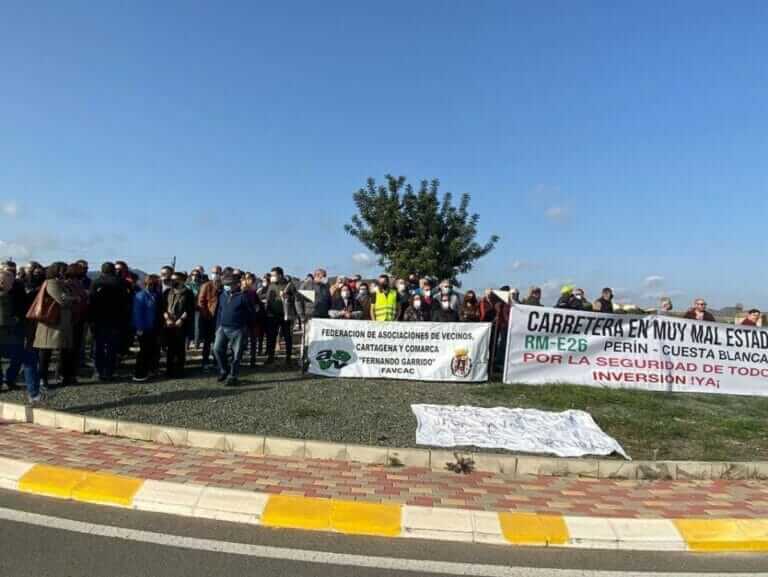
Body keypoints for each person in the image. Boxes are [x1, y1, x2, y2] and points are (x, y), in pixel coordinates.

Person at [34, 262, 77, 388]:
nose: (65, 272)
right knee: (46, 352)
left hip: (61, 322)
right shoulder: (52, 283)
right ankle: (42, 378)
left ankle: (63, 376)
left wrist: (71, 297)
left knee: (63, 351)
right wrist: (74, 299)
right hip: (51, 323)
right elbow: (62, 300)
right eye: (63, 270)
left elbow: (67, 297)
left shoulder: (62, 283)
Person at [89, 262, 131, 381]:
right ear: (114, 270)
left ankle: (98, 371)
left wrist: (91, 319)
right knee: (112, 346)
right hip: (117, 319)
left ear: (102, 270)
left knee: (99, 346)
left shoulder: (96, 282)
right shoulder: (123, 282)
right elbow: (128, 300)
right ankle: (109, 371)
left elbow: (91, 302)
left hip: (99, 319)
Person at [213, 272, 256, 385]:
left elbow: (251, 313)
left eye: (230, 284)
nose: (227, 286)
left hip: (238, 329)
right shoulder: (222, 295)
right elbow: (219, 311)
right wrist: (218, 327)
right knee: (217, 349)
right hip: (222, 328)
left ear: (237, 284)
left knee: (236, 355)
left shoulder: (243, 297)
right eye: (225, 284)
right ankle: (224, 370)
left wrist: (245, 327)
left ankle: (233, 376)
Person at [162, 271, 195, 378]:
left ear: (182, 280)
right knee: (170, 348)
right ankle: (169, 370)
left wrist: (181, 319)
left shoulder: (188, 293)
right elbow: (163, 307)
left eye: (175, 279)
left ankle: (180, 370)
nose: (173, 281)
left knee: (180, 348)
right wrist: (167, 318)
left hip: (181, 323)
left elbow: (189, 309)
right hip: (169, 323)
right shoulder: (168, 292)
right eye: (172, 279)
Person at [132, 275, 162, 381]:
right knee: (144, 351)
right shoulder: (140, 296)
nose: (153, 285)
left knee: (152, 350)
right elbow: (137, 313)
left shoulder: (157, 295)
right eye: (150, 283)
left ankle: (149, 370)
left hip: (154, 328)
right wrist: (139, 328)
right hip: (144, 328)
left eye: (155, 283)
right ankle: (139, 373)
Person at [265, 266, 297, 365]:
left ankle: (288, 358)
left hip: (285, 316)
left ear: (280, 275)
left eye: (274, 275)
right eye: (271, 275)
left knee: (287, 337)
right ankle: (270, 357)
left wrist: (289, 297)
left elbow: (297, 298)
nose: (272, 277)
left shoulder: (289, 285)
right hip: (273, 315)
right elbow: (268, 299)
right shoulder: (271, 285)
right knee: (271, 337)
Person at [64, 263, 88, 385]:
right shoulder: (70, 284)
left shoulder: (76, 284)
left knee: (73, 349)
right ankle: (68, 375)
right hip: (73, 320)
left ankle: (70, 374)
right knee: (70, 349)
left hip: (77, 319)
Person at [197, 265, 222, 372]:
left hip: (220, 318)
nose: (215, 274)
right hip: (208, 318)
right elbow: (201, 302)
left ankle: (217, 362)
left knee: (219, 342)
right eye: (213, 272)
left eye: (217, 272)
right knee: (207, 342)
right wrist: (206, 315)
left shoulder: (222, 286)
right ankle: (205, 362)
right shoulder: (206, 285)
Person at [186, 268, 205, 350]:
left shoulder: (202, 285)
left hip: (198, 308)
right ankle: (186, 345)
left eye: (196, 275)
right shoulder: (187, 285)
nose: (195, 276)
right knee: (187, 326)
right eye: (193, 274)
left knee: (197, 327)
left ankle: (196, 345)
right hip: (188, 308)